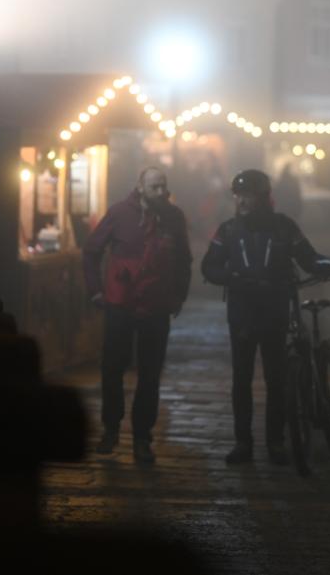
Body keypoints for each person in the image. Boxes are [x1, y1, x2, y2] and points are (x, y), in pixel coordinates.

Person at [202, 169, 330, 466]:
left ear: (262, 197)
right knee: (241, 380)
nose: (241, 201)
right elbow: (209, 266)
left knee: (277, 379)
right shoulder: (228, 230)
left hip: (275, 312)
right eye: (237, 195)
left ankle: (276, 441)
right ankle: (243, 442)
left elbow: (309, 259)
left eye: (247, 195)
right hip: (242, 315)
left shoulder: (284, 227)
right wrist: (232, 277)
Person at [83, 167, 192, 465]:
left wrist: (179, 295)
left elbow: (184, 259)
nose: (161, 192)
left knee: (150, 373)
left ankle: (142, 437)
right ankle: (111, 429)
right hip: (120, 303)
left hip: (156, 306)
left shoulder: (173, 216)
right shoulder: (120, 213)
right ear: (140, 187)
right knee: (112, 368)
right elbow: (91, 250)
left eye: (163, 186)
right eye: (154, 186)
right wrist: (95, 290)